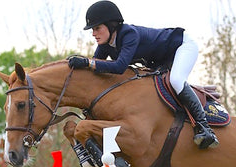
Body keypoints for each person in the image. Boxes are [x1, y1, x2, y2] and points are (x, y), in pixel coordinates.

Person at [68, 0, 219, 149]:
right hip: (160, 61)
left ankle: (204, 127)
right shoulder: (105, 45)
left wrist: (87, 63)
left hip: (181, 46)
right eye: (92, 30)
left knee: (176, 80)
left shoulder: (129, 34)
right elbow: (97, 66)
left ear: (111, 24)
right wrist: (80, 68)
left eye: (97, 28)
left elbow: (119, 67)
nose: (93, 34)